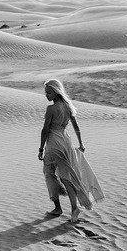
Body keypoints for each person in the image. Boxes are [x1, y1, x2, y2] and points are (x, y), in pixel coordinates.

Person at [38, 79, 104, 222]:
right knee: (66, 176)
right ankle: (74, 208)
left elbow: (45, 130)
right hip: (66, 141)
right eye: (46, 93)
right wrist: (81, 144)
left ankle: (58, 208)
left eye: (49, 93)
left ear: (56, 92)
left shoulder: (51, 109)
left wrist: (41, 149)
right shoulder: (68, 107)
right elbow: (76, 127)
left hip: (54, 143)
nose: (46, 95)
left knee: (49, 173)